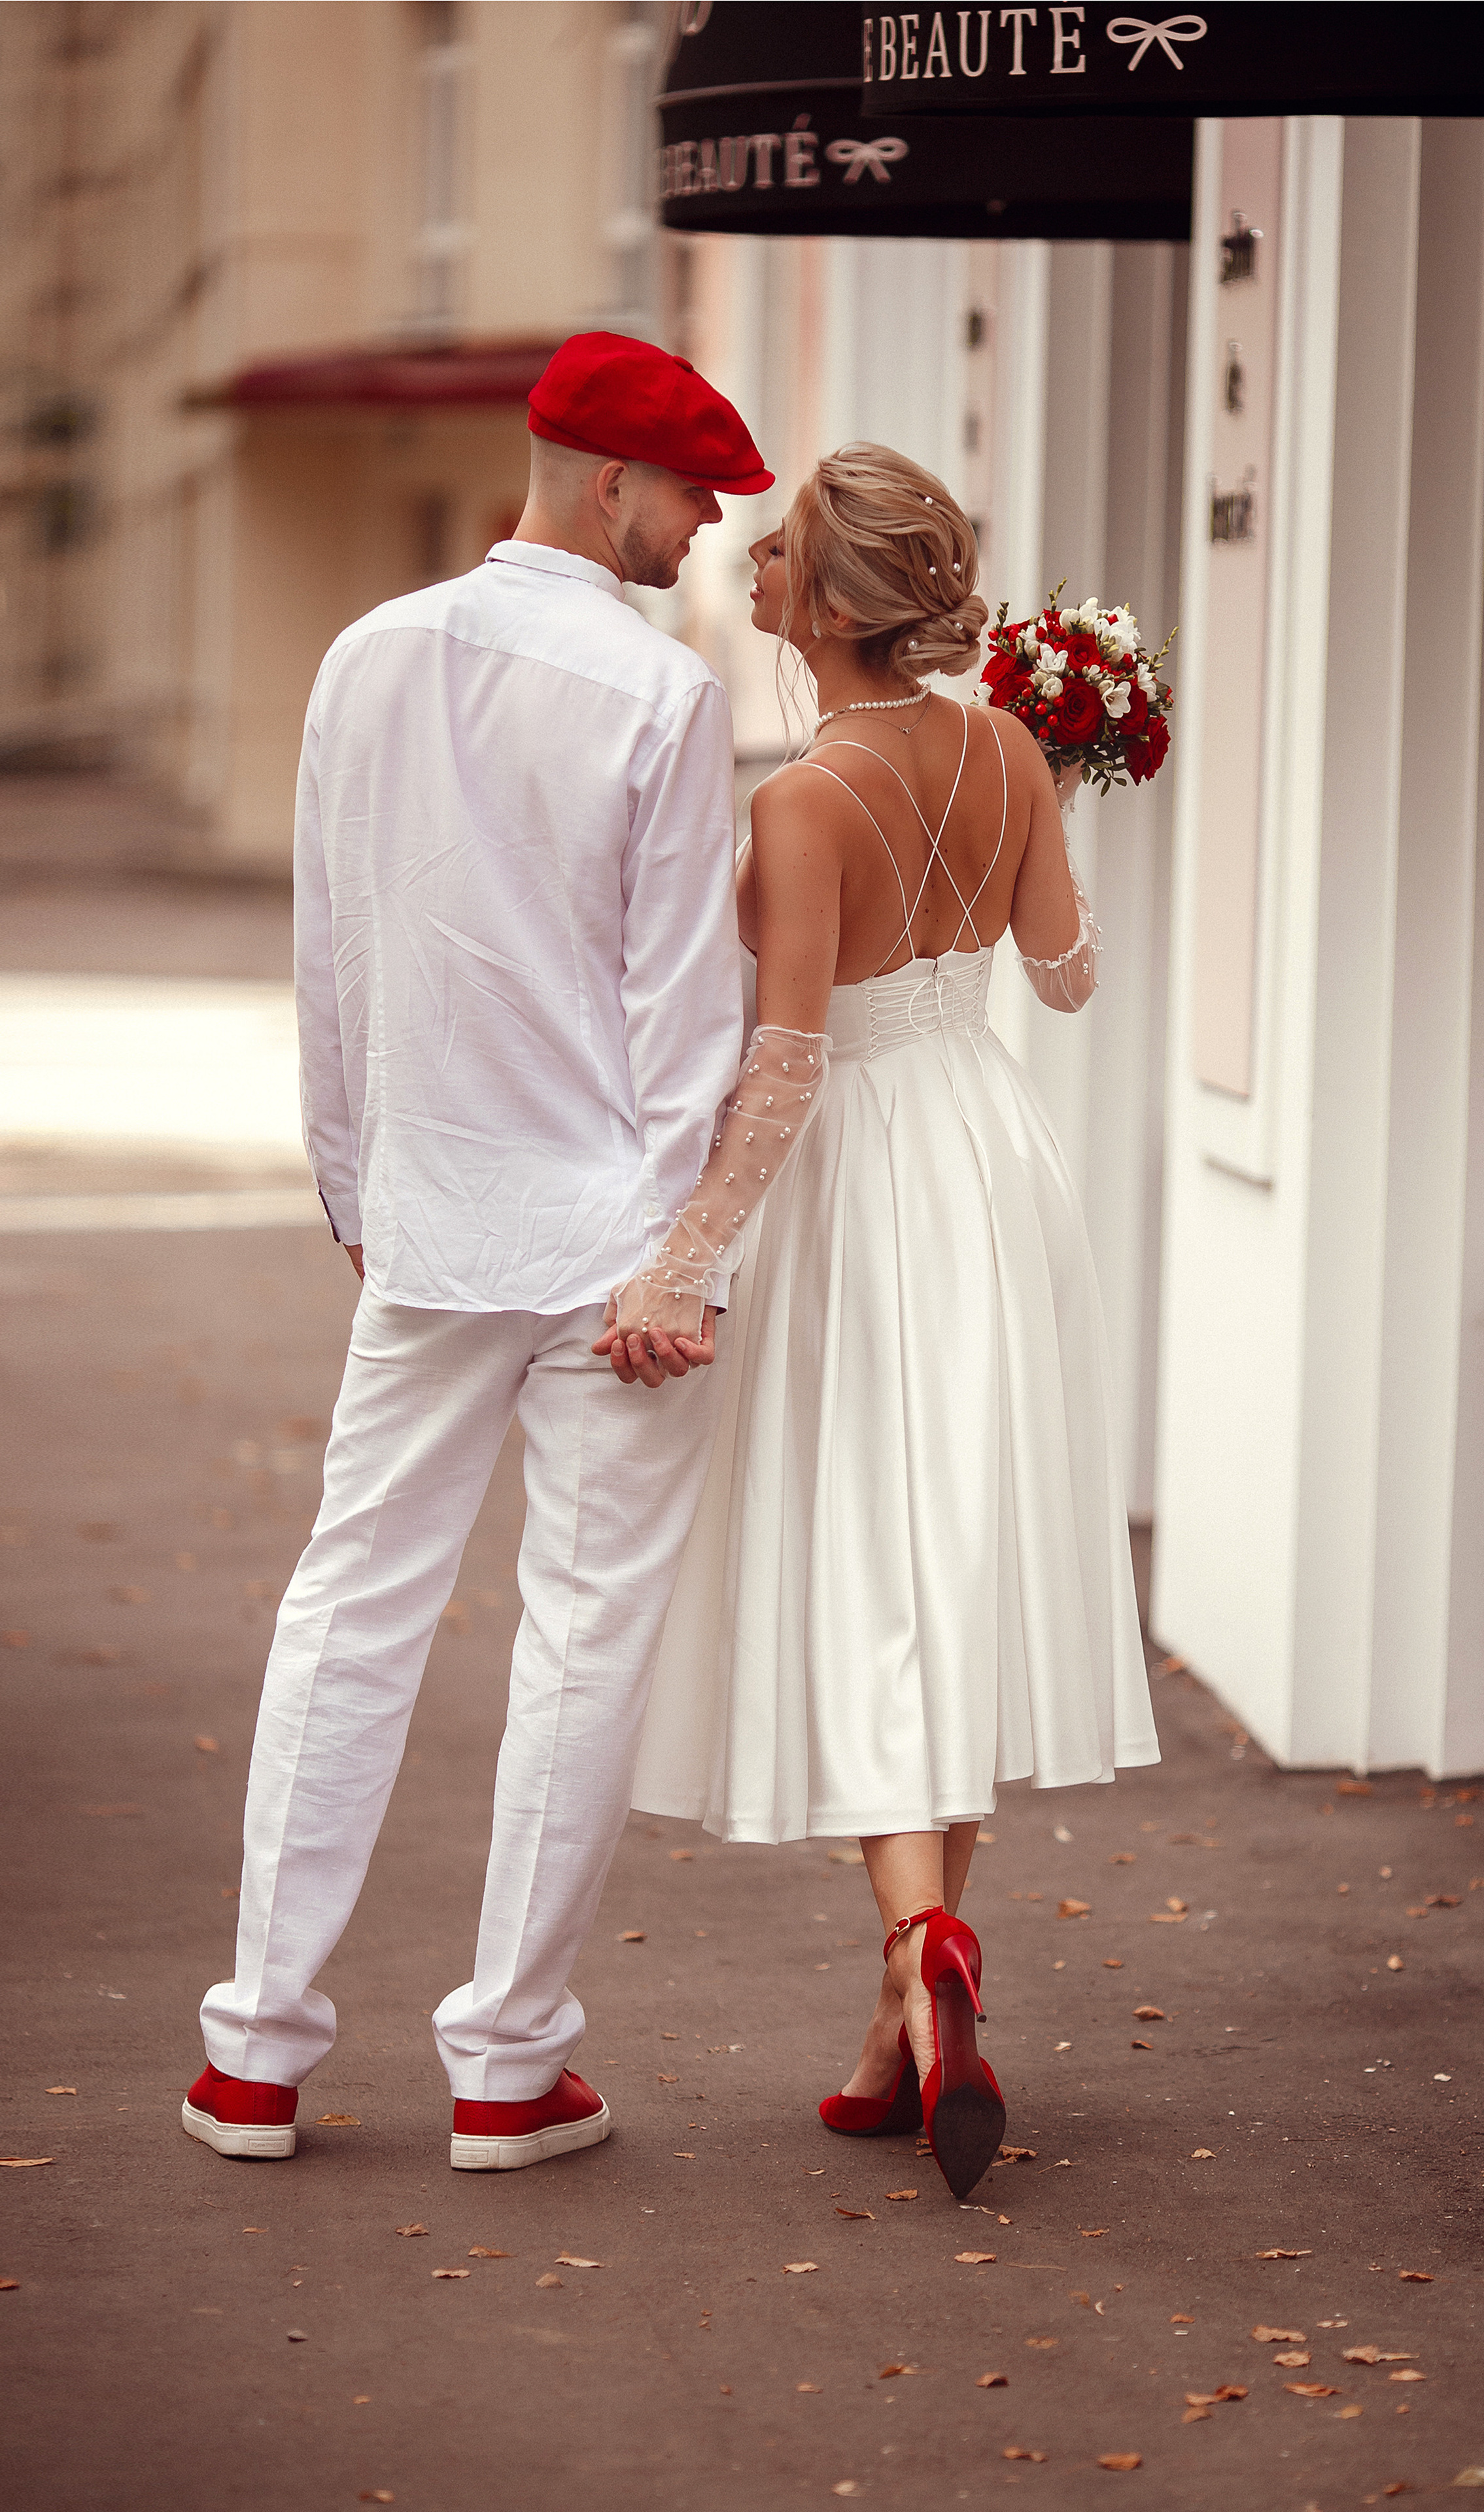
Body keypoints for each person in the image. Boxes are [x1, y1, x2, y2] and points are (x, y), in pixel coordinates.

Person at [184, 333, 774, 2172]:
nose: (705, 528)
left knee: (350, 1608)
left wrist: (355, 1191)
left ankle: (254, 2055)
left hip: (432, 1220)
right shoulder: (662, 694)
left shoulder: (366, 655)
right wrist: (681, 1259)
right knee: (582, 1639)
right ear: (611, 481)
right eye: (692, 496)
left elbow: (334, 950)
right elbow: (684, 1012)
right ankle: (509, 2067)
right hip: (612, 1247)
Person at [617, 445, 1160, 2202]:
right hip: (990, 1164)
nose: (754, 568)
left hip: (860, 1182)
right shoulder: (1006, 752)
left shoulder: (800, 803)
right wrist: (1053, 793)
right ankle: (904, 2025)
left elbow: (785, 1067)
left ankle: (924, 1949)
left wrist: (683, 1259)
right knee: (960, 1566)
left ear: (836, 603)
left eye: (780, 552)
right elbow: (1067, 979)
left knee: (871, 1575)